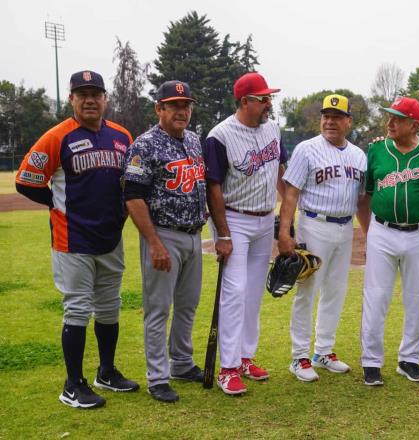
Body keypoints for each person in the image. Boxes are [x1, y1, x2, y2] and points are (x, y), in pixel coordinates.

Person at [15, 70, 138, 409]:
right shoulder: (57, 137)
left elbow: (131, 182)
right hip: (73, 240)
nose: (89, 100)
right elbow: (26, 181)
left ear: (105, 99)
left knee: (110, 307)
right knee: (78, 309)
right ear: (71, 99)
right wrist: (56, 204)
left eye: (95, 94)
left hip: (110, 237)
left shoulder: (122, 136)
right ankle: (73, 384)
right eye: (82, 94)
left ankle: (107, 371)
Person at [203, 72, 287, 395]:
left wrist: (285, 220)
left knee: (253, 292)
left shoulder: (273, 129)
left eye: (269, 97)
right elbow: (213, 188)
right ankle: (227, 367)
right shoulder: (219, 136)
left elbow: (279, 171)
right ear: (244, 102)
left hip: (265, 219)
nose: (268, 103)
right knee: (235, 291)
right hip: (234, 220)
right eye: (262, 98)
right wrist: (222, 234)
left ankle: (245, 357)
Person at [123, 80, 207, 403]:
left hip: (194, 235)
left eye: (186, 105)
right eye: (173, 105)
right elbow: (133, 197)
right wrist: (154, 242)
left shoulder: (195, 142)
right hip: (164, 234)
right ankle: (158, 377)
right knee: (158, 309)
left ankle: (182, 363)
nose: (182, 111)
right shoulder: (144, 145)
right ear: (159, 108)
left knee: (187, 306)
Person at [360, 97, 419, 386]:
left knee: (416, 298)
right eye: (389, 117)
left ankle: (409, 360)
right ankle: (371, 363)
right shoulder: (376, 150)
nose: (390, 122)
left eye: (397, 118)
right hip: (382, 232)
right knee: (376, 297)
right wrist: (370, 231)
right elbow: (366, 196)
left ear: (414, 124)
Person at [277, 94, 368, 382]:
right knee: (308, 291)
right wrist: (285, 232)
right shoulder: (306, 149)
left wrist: (366, 232)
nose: (330, 121)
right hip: (314, 224)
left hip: (344, 227)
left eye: (337, 116)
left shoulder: (359, 155)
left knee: (336, 291)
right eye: (326, 116)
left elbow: (362, 198)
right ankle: (299, 356)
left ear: (348, 122)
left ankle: (324, 352)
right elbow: (290, 193)